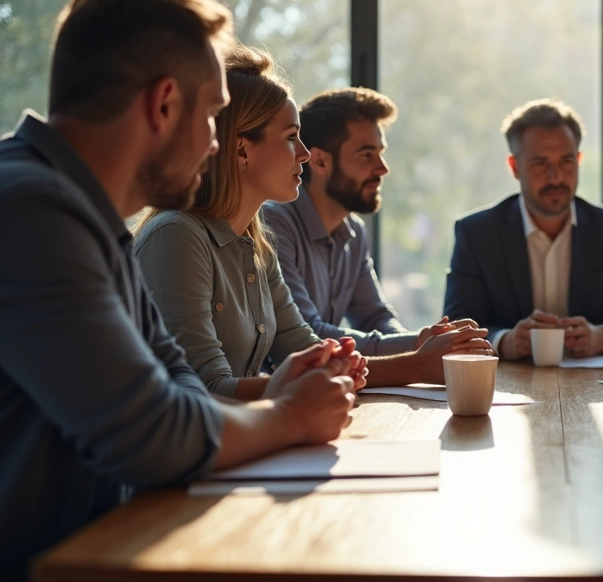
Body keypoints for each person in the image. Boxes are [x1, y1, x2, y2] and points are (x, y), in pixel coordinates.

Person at [0, 0, 361, 577]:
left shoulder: (89, 215)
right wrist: (288, 415)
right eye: (212, 116)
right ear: (164, 104)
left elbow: (183, 391)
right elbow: (152, 432)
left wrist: (274, 400)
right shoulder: (30, 208)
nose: (217, 144)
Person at [134, 46, 490, 399]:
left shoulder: (256, 244)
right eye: (291, 138)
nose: (304, 153)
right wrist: (415, 364)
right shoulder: (176, 236)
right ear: (242, 150)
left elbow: (307, 349)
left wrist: (415, 351)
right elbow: (205, 390)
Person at [263, 87, 477, 358]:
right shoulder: (273, 224)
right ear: (320, 161)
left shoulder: (354, 230)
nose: (382, 168)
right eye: (366, 155)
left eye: (380, 152)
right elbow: (306, 333)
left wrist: (420, 342)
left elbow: (375, 317)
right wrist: (415, 347)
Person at [443, 98, 603, 360]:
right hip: (505, 390)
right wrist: (506, 341)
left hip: (596, 389)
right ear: (515, 167)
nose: (556, 177)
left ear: (579, 159)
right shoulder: (476, 234)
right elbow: (456, 330)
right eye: (540, 163)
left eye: (566, 162)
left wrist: (602, 337)